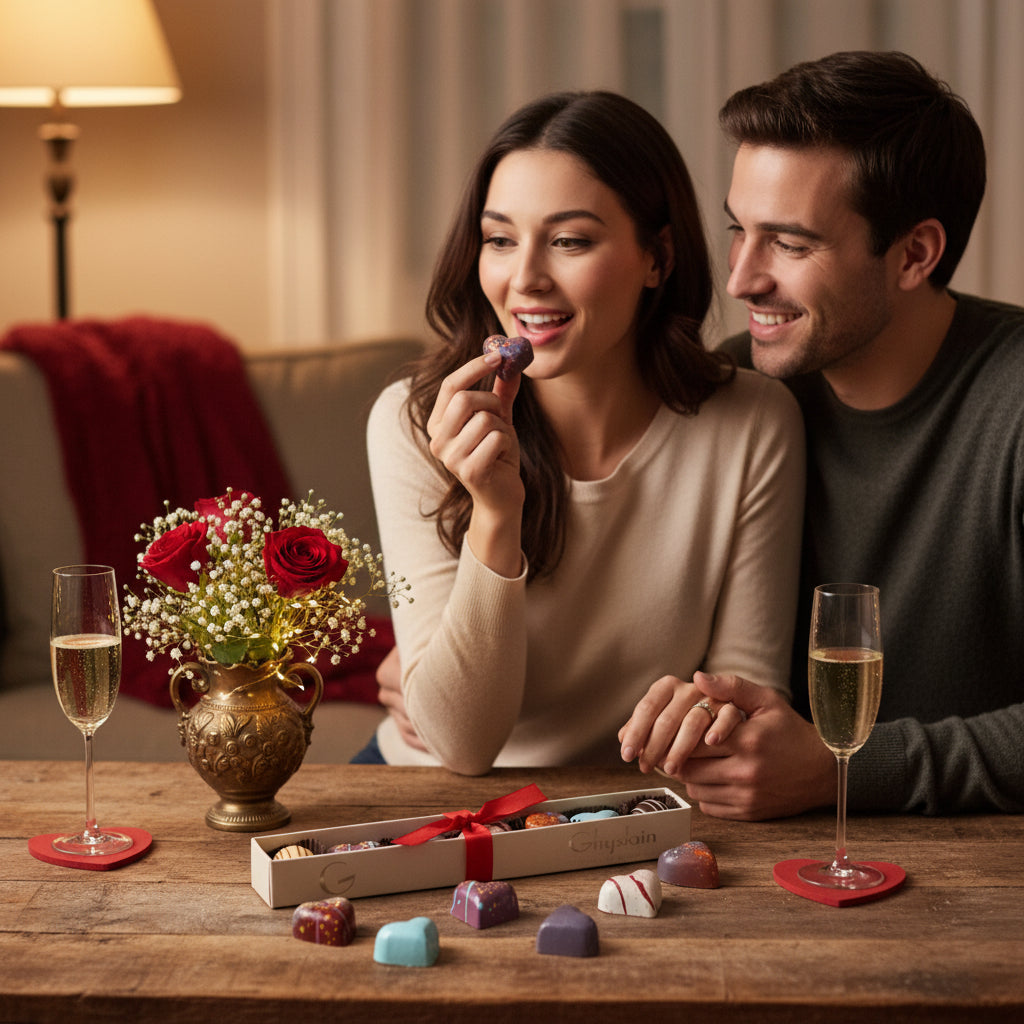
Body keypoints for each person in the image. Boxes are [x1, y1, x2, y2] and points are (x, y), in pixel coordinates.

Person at [621, 51, 1024, 818]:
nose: (740, 278)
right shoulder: (732, 391)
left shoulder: (1014, 405)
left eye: (791, 244)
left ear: (914, 254)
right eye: (740, 230)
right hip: (754, 860)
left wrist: (849, 770)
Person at [359, 90, 805, 773]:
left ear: (657, 257)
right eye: (501, 240)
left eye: (570, 241)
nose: (526, 280)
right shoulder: (415, 421)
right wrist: (495, 514)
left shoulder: (753, 424)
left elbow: (741, 694)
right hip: (429, 797)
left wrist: (707, 716)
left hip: (631, 800)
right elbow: (461, 746)